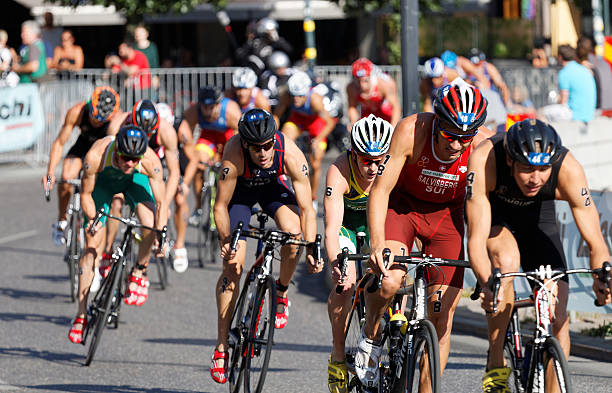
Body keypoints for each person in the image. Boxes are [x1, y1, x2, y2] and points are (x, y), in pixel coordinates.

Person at [356, 79, 494, 388]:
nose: (457, 145)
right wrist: (377, 244)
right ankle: (370, 336)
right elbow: (380, 190)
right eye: (449, 135)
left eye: (465, 137)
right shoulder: (411, 130)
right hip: (403, 209)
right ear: (437, 123)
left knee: (442, 319)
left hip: (447, 217)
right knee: (390, 279)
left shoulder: (483, 145)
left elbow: (484, 204)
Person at [465, 119, 611, 392]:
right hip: (496, 216)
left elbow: (596, 240)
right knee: (505, 265)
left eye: (544, 169)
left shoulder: (568, 168)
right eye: (527, 169)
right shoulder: (486, 159)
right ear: (510, 160)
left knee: (558, 310)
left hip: (538, 219)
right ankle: (496, 362)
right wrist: (487, 283)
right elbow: (475, 238)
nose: (536, 178)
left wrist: (603, 275)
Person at [209, 108, 321, 384]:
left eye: (267, 145)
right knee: (233, 266)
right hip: (240, 195)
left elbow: (307, 208)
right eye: (256, 147)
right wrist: (227, 241)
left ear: (274, 140)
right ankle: (222, 346)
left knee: (293, 234)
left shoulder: (290, 153)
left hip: (272, 187)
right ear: (245, 144)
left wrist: (311, 248)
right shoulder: (234, 154)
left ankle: (281, 290)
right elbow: (220, 206)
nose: (263, 152)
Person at [67, 125, 167, 344]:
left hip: (133, 183)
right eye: (125, 158)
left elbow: (161, 202)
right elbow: (85, 195)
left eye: (134, 159)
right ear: (117, 151)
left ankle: (139, 271)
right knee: (92, 244)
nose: (130, 163)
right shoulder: (96, 155)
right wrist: (93, 220)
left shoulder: (149, 160)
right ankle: (81, 314)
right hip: (102, 183)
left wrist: (162, 234)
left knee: (150, 224)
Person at [325, 115, 394, 393]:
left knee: (392, 276)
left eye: (380, 160)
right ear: (353, 154)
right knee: (347, 284)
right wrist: (336, 262)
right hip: (348, 231)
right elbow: (331, 229)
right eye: (366, 160)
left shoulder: (390, 168)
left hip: (379, 228)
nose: (374, 167)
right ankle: (339, 355)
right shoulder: (339, 170)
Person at [101, 99, 188, 273]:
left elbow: (174, 173)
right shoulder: (117, 125)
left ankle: (142, 265)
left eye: (149, 134)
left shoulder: (166, 132)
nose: (145, 137)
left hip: (152, 168)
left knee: (157, 213)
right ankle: (108, 251)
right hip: (124, 166)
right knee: (116, 202)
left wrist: (164, 203)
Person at [42, 86, 123, 246]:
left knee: (109, 193)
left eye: (101, 120)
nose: (96, 121)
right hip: (83, 145)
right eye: (94, 116)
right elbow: (59, 143)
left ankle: (106, 246)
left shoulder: (116, 119)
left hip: (102, 151)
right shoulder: (77, 111)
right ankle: (62, 220)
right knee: (66, 178)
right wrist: (50, 172)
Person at [178, 86, 241, 226]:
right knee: (199, 165)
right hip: (208, 137)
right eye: (204, 107)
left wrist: (223, 158)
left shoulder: (231, 111)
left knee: (229, 168)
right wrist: (194, 159)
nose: (207, 111)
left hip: (228, 137)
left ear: (218, 104)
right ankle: (199, 207)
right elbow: (185, 134)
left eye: (211, 107)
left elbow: (239, 140)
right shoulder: (194, 111)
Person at [273, 70, 336, 207]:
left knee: (315, 162)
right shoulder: (286, 96)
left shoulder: (315, 100)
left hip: (316, 123)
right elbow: (276, 117)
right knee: (283, 140)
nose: (296, 99)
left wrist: (318, 140)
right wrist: (272, 135)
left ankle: (312, 197)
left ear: (307, 92)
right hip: (298, 119)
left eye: (300, 96)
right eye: (294, 96)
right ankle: (285, 176)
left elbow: (330, 122)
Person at [538, 45, 596, 124]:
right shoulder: (584, 69)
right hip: (589, 114)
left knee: (540, 112)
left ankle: (548, 136)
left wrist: (556, 99)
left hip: (575, 114)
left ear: (560, 57)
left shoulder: (564, 73)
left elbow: (563, 101)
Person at [346, 57, 401, 128]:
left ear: (370, 76)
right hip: (367, 113)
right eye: (358, 81)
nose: (362, 85)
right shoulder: (351, 88)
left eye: (365, 81)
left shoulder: (385, 84)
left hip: (385, 113)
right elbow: (352, 107)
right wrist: (353, 123)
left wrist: (393, 128)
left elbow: (396, 107)